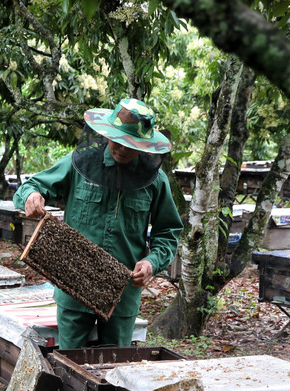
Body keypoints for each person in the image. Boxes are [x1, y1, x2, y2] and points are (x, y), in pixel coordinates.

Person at [13, 98, 183, 349]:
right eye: (118, 140)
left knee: (114, 369)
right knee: (69, 365)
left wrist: (151, 262)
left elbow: (168, 231)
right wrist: (31, 196)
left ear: (143, 145)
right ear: (107, 133)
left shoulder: (156, 180)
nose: (122, 149)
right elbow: (31, 186)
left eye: (130, 144)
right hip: (73, 285)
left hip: (123, 292)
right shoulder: (79, 163)